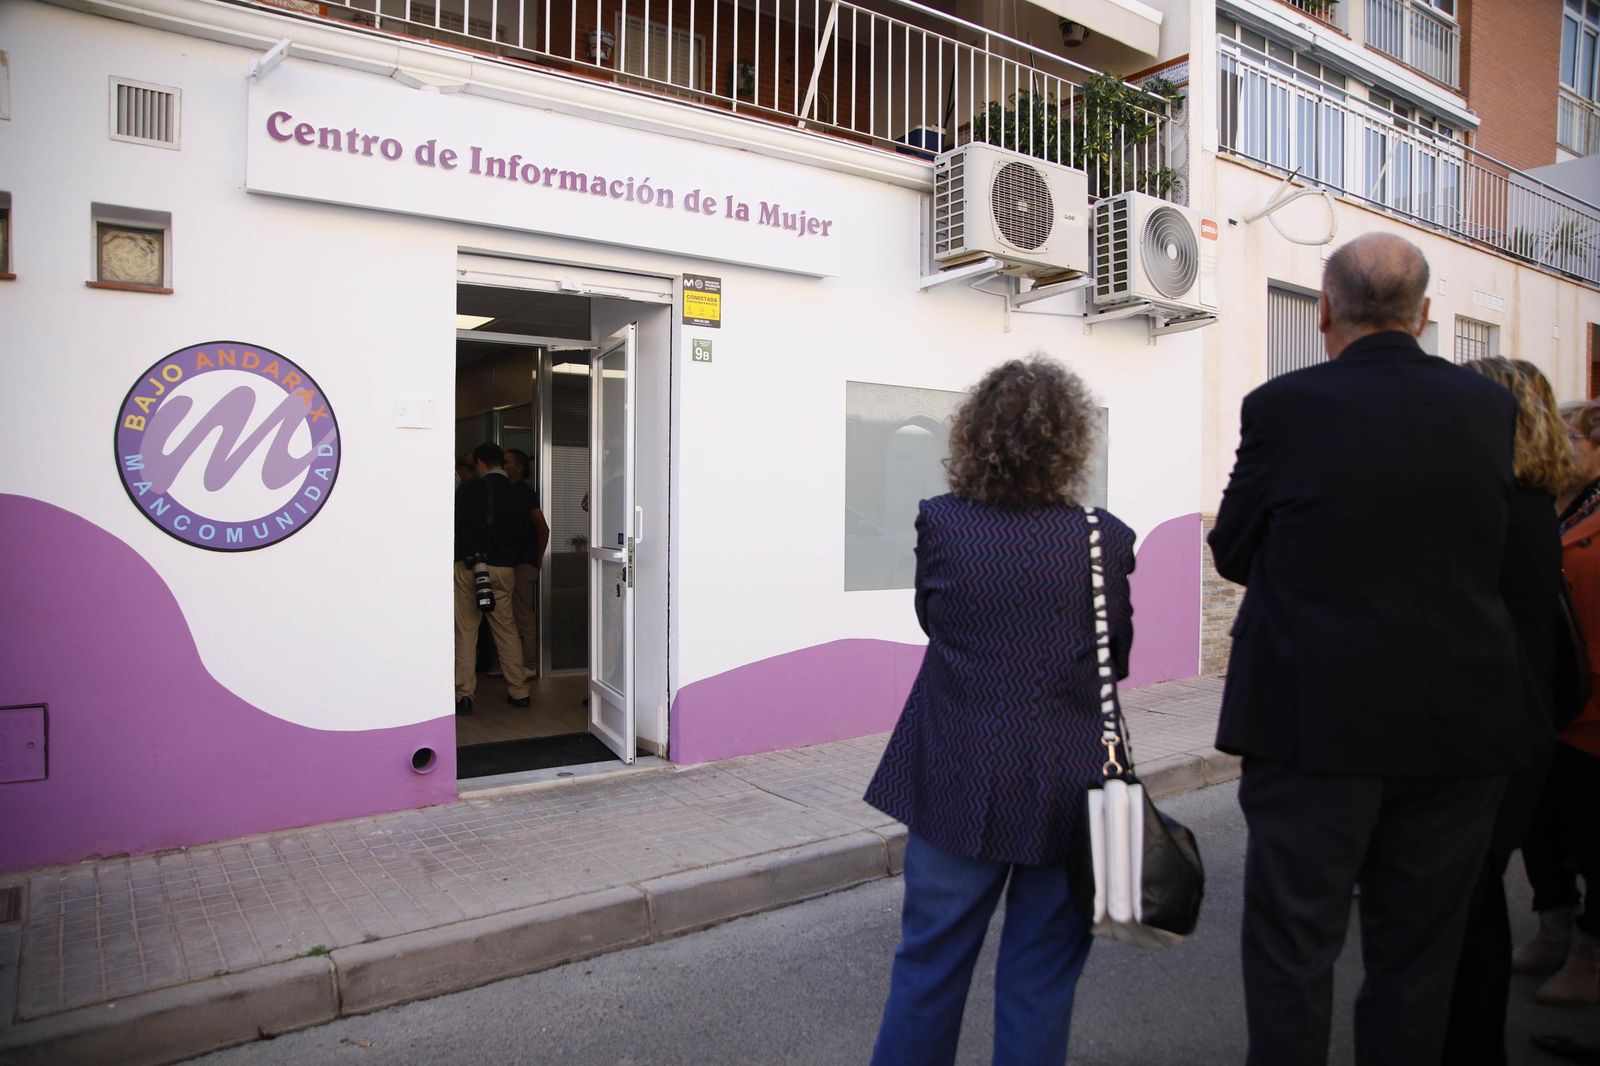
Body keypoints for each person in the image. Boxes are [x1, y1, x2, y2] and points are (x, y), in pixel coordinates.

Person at [1209, 232, 1530, 1066]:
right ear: (1425, 315)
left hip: (1311, 724)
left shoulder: (1282, 407)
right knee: (1417, 961)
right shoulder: (1491, 409)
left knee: (1292, 948)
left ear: (1324, 311)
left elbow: (1235, 549)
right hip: (1458, 729)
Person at [863, 356, 1133, 1066]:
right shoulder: (1105, 538)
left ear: (973, 436)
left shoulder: (942, 524)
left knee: (928, 970)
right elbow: (1116, 660)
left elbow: (936, 623)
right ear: (1069, 441)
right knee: (1040, 982)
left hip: (957, 777)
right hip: (1068, 788)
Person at [1440, 358, 1572, 1065]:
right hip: (1527, 724)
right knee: (1478, 894)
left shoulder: (1497, 507)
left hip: (1491, 730)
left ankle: (1470, 1049)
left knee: (1470, 906)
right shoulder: (1540, 501)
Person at [1514, 399, 1600, 1011]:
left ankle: (1590, 956)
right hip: (1546, 696)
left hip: (1594, 701)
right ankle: (1554, 924)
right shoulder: (1548, 502)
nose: (1561, 445)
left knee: (1594, 831)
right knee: (1542, 819)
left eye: (1571, 436)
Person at [453, 442, 532, 716]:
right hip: (503, 569)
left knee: (466, 631)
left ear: (479, 464)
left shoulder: (468, 489)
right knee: (506, 631)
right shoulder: (516, 493)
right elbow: (524, 531)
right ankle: (519, 692)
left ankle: (464, 696)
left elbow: (457, 525)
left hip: (469, 567)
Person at [503, 448, 550, 680]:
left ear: (519, 467)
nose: (503, 465)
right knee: (506, 614)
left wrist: (536, 560)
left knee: (522, 613)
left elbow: (543, 528)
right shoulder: (503, 491)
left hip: (524, 563)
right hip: (507, 562)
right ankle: (509, 665)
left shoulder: (525, 494)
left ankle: (529, 664)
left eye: (507, 461)